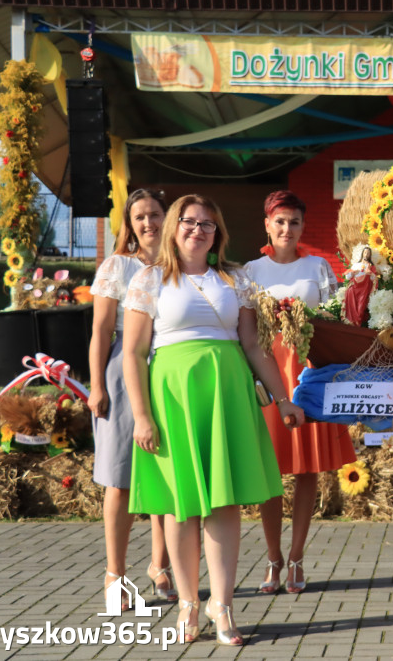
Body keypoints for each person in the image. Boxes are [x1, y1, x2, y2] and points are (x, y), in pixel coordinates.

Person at [122, 194, 304, 646]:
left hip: (227, 393)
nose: (197, 230)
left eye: (207, 224)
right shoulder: (149, 279)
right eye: (189, 221)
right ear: (174, 228)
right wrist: (142, 416)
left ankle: (220, 605)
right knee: (182, 506)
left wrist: (284, 398)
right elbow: (133, 352)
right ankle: (187, 602)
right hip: (172, 396)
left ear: (217, 233)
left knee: (224, 502)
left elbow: (253, 346)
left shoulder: (234, 278)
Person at [244, 190, 357, 595]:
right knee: (268, 470)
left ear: (303, 227)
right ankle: (272, 558)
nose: (286, 229)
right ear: (267, 225)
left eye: (294, 222)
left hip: (308, 371)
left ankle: (296, 558)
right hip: (267, 372)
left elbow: (332, 320)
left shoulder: (318, 266)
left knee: (307, 467)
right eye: (280, 221)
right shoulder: (250, 271)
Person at [89, 189, 174, 608]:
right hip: (124, 371)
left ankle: (160, 565)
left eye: (154, 214)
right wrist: (97, 386)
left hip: (171, 368)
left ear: (167, 217)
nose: (147, 223)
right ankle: (115, 574)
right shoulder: (117, 265)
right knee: (120, 479)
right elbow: (102, 331)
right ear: (129, 224)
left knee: (166, 472)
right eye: (139, 217)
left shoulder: (180, 265)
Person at [342, 246, 378, 326]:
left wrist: (370, 273)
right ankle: (350, 322)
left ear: (370, 255)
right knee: (351, 306)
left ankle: (358, 324)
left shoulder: (371, 267)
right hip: (353, 288)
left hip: (364, 289)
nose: (366, 254)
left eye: (368, 253)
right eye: (365, 252)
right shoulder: (356, 265)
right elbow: (348, 277)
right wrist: (352, 273)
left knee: (360, 308)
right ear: (362, 254)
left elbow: (374, 279)